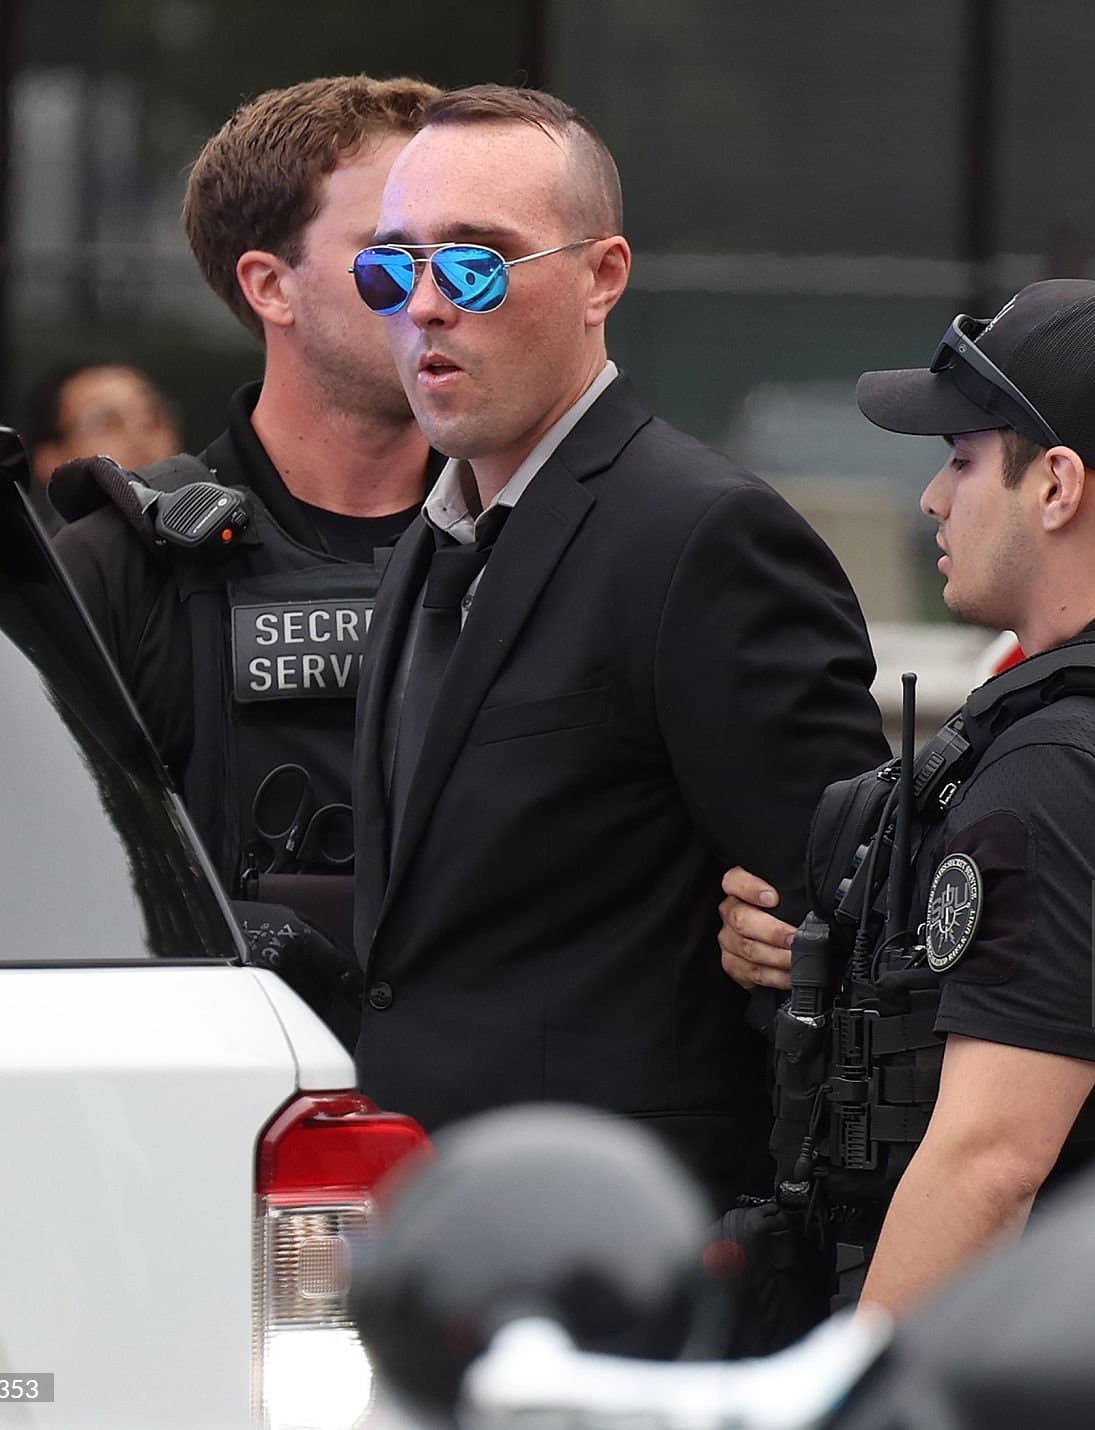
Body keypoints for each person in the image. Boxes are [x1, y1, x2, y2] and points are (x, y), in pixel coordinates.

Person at [715, 279, 1095, 1321]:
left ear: (1057, 485)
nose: (933, 499)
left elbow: (990, 1161)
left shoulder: (1064, 766)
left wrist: (862, 1395)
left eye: (960, 458)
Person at [349, 85, 885, 1208]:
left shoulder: (702, 536)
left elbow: (840, 926)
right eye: (391, 271)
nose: (428, 308)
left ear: (600, 276)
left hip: (629, 1234)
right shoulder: (430, 539)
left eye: (479, 265)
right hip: (433, 1216)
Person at [51, 76, 442, 988]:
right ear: (272, 286)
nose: (438, 294)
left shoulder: (550, 542)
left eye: (462, 252)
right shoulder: (121, 568)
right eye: (391, 257)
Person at [21, 360, 182, 532]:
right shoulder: (53, 556)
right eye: (108, 423)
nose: (140, 437)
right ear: (50, 462)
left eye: (153, 418)